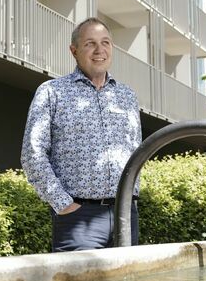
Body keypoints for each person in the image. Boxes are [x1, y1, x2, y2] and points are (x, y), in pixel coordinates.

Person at [21, 17, 141, 252]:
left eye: (105, 43)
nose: (100, 50)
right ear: (74, 51)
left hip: (126, 215)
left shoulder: (127, 96)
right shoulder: (51, 92)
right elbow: (32, 153)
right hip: (78, 218)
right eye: (90, 44)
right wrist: (63, 204)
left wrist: (131, 200)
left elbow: (135, 150)